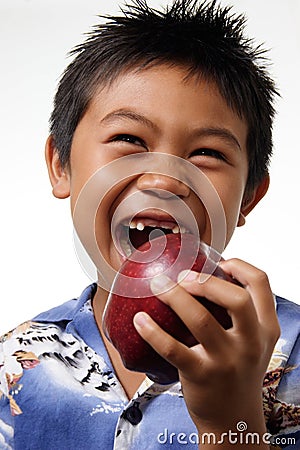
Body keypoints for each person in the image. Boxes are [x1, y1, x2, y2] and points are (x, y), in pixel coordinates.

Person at [0, 0, 299, 448]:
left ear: (249, 197)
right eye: (128, 140)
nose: (164, 179)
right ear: (61, 165)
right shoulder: (13, 368)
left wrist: (231, 423)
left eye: (208, 154)